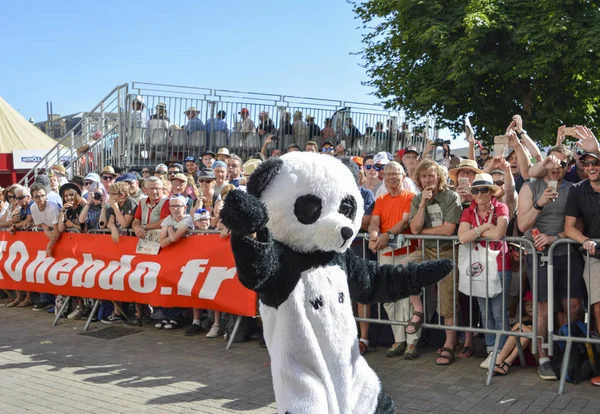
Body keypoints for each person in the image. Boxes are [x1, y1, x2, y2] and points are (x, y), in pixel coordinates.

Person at [518, 144, 585, 381]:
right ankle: (544, 358)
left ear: (568, 167)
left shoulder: (573, 189)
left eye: (562, 164)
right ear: (545, 163)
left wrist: (554, 238)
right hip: (536, 254)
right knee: (543, 308)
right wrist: (540, 203)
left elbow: (578, 228)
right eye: (552, 162)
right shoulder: (530, 186)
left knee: (573, 306)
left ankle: (567, 352)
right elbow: (522, 225)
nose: (556, 167)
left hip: (566, 252)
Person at [409, 159, 462, 365]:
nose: (428, 180)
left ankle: (450, 343)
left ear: (439, 177)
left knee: (447, 299)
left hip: (447, 252)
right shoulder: (417, 199)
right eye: (424, 176)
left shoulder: (451, 196)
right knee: (404, 268)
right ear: (419, 180)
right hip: (426, 250)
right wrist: (422, 204)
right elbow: (414, 229)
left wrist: (422, 231)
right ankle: (418, 309)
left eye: (431, 175)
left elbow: (449, 230)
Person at [368, 162, 421, 359]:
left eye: (396, 173)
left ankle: (411, 342)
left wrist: (386, 235)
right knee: (390, 299)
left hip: (404, 251)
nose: (392, 177)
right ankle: (399, 339)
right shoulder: (380, 199)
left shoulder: (410, 197)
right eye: (388, 174)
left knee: (407, 298)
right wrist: (374, 234)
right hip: (385, 252)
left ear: (403, 175)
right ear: (383, 177)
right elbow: (375, 220)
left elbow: (405, 221)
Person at [457, 173, 511, 367]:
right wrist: (486, 226)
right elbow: (462, 237)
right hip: (479, 267)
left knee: (498, 312)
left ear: (491, 192)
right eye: (476, 190)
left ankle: (500, 352)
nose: (480, 194)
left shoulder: (501, 207)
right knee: (485, 311)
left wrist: (477, 233)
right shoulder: (468, 211)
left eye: (484, 189)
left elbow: (498, 234)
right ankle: (491, 350)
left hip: (500, 265)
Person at [564, 136, 600, 339]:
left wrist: (596, 147)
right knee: (597, 309)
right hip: (595, 256)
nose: (591, 167)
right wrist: (585, 240)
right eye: (587, 163)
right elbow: (569, 228)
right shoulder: (577, 190)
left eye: (596, 162)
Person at [492, 291, 535, 376]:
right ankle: (498, 361)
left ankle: (507, 362)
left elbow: (534, 334)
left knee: (527, 332)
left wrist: (520, 325)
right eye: (527, 305)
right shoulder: (524, 319)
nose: (530, 307)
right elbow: (512, 331)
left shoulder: (542, 320)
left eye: (532, 305)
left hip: (536, 354)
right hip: (522, 353)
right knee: (518, 333)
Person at [30, 183, 62, 257]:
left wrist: (49, 247)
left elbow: (57, 232)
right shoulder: (33, 207)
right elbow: (38, 224)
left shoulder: (53, 208)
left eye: (42, 195)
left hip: (64, 236)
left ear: (46, 196)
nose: (40, 199)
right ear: (32, 198)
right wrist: (45, 228)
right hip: (52, 235)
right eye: (37, 196)